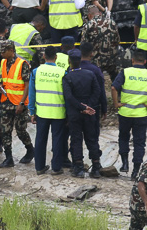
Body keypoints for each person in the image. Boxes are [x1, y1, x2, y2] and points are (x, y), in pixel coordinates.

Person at [63, 48, 105, 177]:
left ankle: (79, 167)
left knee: (76, 139)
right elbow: (97, 92)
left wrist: (81, 107)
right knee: (92, 139)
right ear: (80, 60)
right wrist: (89, 106)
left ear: (69, 61)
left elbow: (68, 97)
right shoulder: (90, 74)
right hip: (90, 113)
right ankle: (96, 167)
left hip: (75, 113)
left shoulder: (67, 77)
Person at [29, 46, 69, 174]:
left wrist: (32, 111)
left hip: (42, 112)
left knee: (40, 139)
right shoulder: (63, 72)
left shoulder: (36, 71)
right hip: (58, 112)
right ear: (56, 58)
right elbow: (67, 95)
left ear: (44, 56)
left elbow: (32, 93)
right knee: (57, 139)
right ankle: (56, 168)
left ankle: (39, 167)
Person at [0, 40, 35, 167]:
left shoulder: (22, 64)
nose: (2, 53)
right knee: (5, 130)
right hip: (5, 101)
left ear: (12, 51)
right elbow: (5, 79)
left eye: (4, 51)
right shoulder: (3, 62)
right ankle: (9, 158)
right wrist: (1, 86)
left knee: (20, 130)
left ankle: (30, 150)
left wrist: (22, 103)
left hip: (19, 103)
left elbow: (27, 84)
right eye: (1, 51)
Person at [114, 48, 147, 178]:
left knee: (123, 137)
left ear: (132, 60)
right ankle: (135, 171)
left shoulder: (125, 72)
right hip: (141, 114)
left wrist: (116, 103)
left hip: (125, 113)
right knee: (139, 142)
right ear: (145, 61)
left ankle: (125, 164)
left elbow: (113, 87)